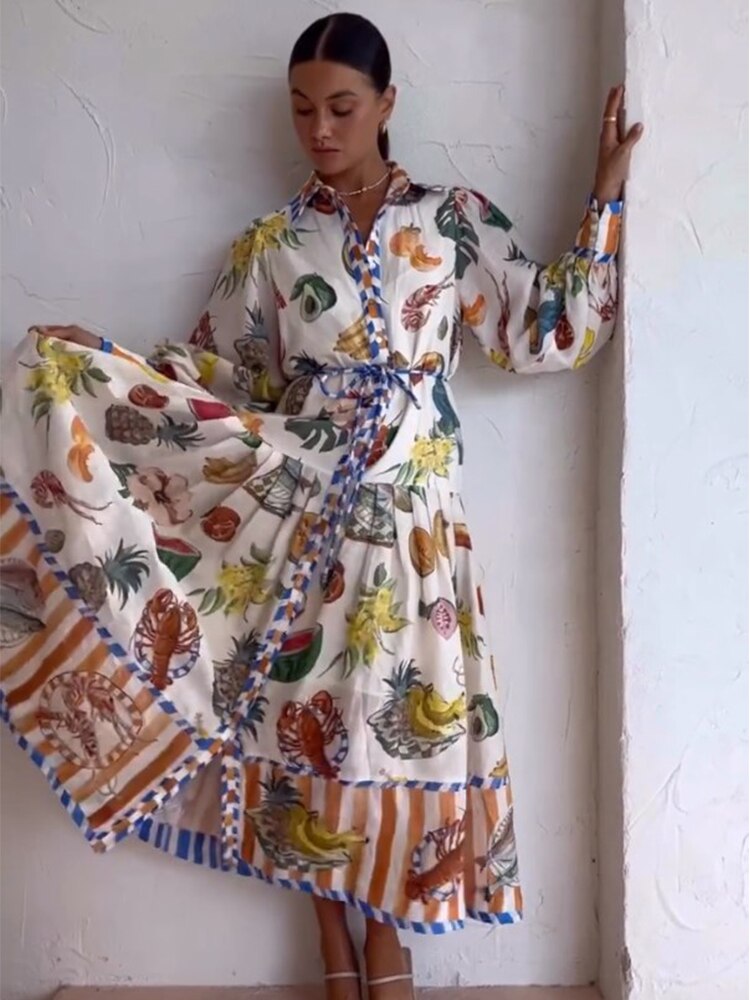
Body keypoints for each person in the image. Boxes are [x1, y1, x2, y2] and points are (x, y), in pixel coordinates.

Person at [1, 12, 642, 1000]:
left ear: (387, 104)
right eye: (302, 110)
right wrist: (105, 360)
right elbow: (216, 379)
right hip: (304, 521)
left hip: (417, 525)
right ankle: (337, 954)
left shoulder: (450, 221)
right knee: (306, 719)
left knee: (394, 727)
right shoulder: (273, 244)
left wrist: (603, 199)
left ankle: (386, 948)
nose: (320, 129)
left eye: (342, 107)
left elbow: (546, 329)